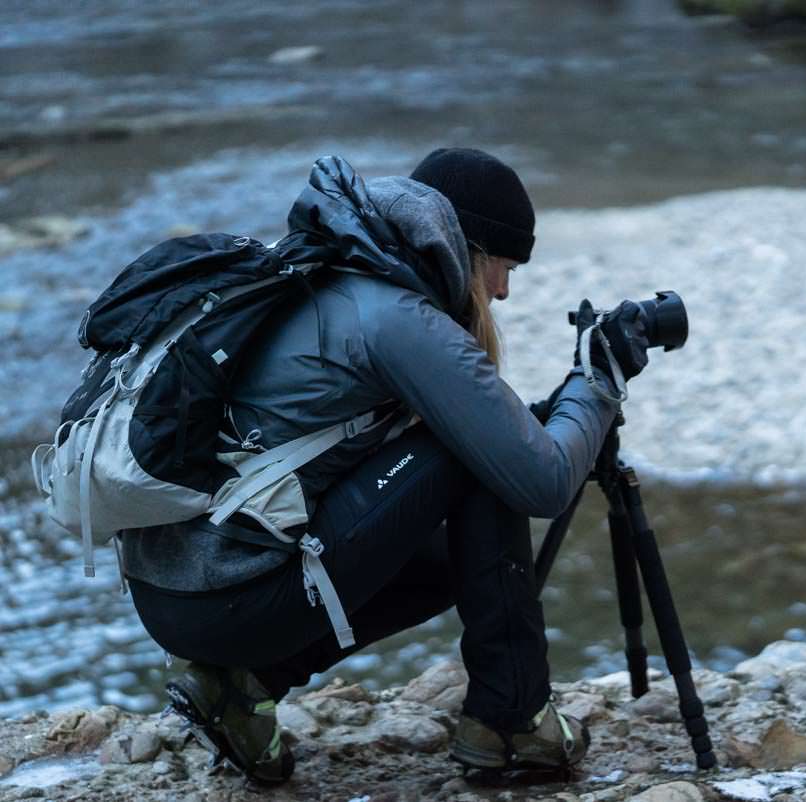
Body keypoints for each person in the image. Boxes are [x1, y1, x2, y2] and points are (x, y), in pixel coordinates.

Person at [118, 148, 651, 783]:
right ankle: (514, 718)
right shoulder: (400, 318)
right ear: (468, 250)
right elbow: (541, 482)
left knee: (448, 539)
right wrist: (597, 382)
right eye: (504, 267)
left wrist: (553, 410)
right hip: (231, 601)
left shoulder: (328, 267)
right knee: (476, 459)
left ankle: (240, 686)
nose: (504, 292)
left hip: (175, 595)